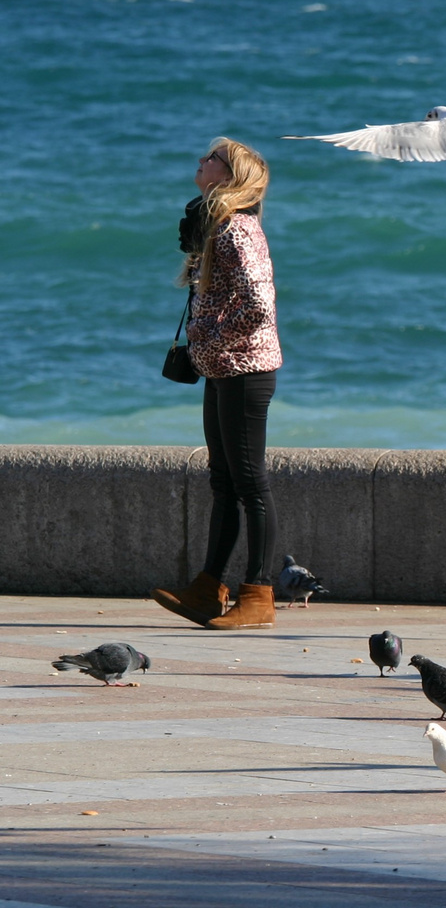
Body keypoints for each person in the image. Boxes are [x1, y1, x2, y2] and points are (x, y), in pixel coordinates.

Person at [151, 139, 283, 629]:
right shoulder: (216, 226)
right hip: (224, 368)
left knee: (250, 482)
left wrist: (209, 336)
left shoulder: (237, 230)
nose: (201, 160)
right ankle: (208, 588)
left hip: (245, 369)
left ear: (229, 175)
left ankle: (259, 593)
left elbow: (259, 306)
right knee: (224, 481)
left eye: (212, 158)